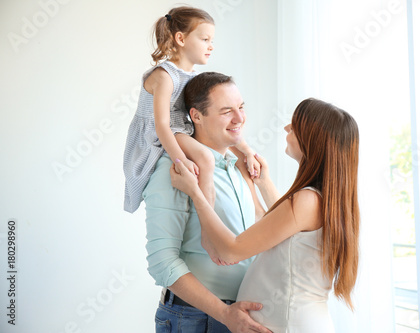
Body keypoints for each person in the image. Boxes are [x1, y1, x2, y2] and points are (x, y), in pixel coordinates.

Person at [171, 98, 360, 332]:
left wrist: (196, 193)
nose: (286, 128)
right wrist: (263, 183)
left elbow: (230, 250)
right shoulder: (324, 200)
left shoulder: (307, 201)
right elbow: (283, 228)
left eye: (295, 124)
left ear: (313, 139)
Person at [143, 71, 271, 333]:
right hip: (195, 318)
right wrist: (224, 313)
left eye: (241, 108)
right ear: (197, 116)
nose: (239, 118)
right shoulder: (176, 171)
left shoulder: (240, 169)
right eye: (227, 111)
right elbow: (162, 262)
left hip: (240, 317)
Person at [123, 6, 259, 214]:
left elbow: (222, 120)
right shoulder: (164, 76)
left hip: (180, 127)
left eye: (212, 41)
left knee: (225, 147)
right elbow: (161, 125)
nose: (211, 46)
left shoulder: (194, 77)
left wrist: (248, 151)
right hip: (161, 130)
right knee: (205, 158)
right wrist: (181, 160)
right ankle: (208, 218)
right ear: (181, 38)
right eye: (205, 40)